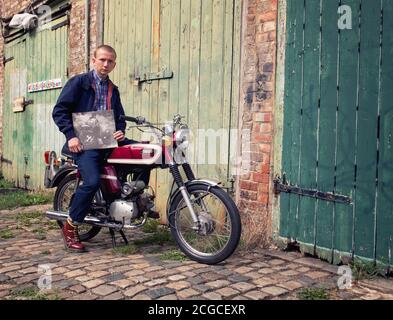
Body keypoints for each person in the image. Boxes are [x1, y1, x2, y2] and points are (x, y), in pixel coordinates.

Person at [53, 45, 155, 253]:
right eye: (102, 60)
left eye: (110, 61)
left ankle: (127, 196)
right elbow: (59, 111)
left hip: (107, 139)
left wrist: (120, 131)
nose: (105, 64)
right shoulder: (79, 83)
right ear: (94, 60)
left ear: (114, 64)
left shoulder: (112, 89)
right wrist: (70, 136)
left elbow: (119, 118)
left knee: (146, 152)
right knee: (90, 182)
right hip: (83, 142)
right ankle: (70, 228)